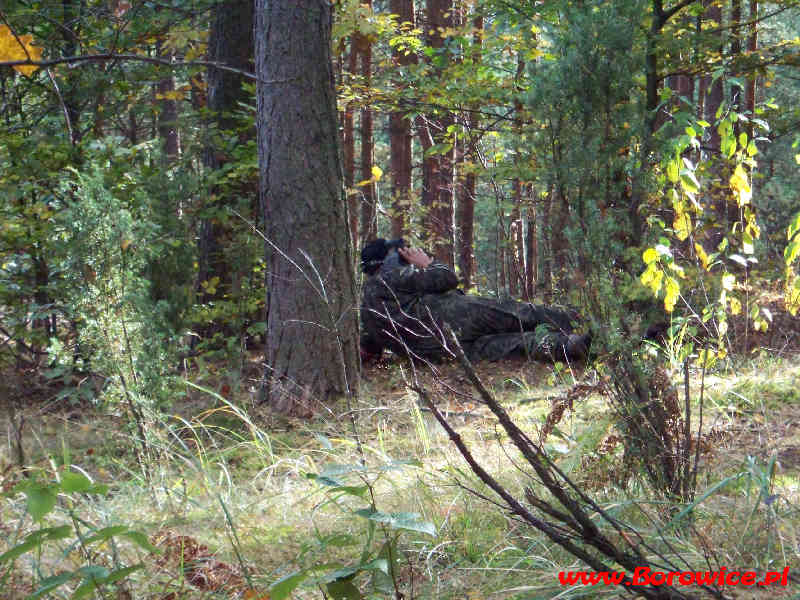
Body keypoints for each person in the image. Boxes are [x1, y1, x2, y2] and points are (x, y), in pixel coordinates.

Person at [360, 238, 591, 363]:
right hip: (457, 318)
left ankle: (569, 345)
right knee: (520, 313)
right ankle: (580, 324)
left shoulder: (367, 308)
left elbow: (371, 343)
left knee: (515, 344)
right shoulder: (390, 277)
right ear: (386, 260)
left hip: (442, 353)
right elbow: (447, 278)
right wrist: (425, 263)